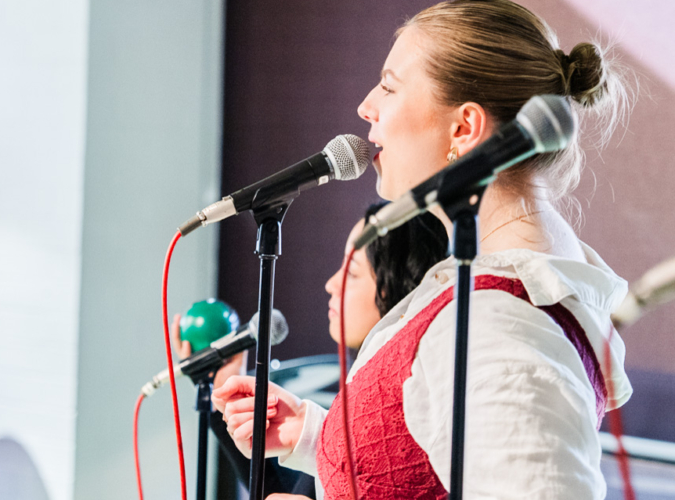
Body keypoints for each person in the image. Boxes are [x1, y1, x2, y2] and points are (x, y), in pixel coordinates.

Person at [214, 1, 634, 498]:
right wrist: (315, 435)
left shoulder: (500, 324)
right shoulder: (502, 293)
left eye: (390, 86)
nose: (366, 106)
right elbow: (432, 461)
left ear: (463, 128)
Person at [173, 203, 448, 497]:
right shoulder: (360, 399)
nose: (332, 284)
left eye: (351, 273)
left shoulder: (407, 414)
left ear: (397, 284)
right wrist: (220, 395)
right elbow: (287, 493)